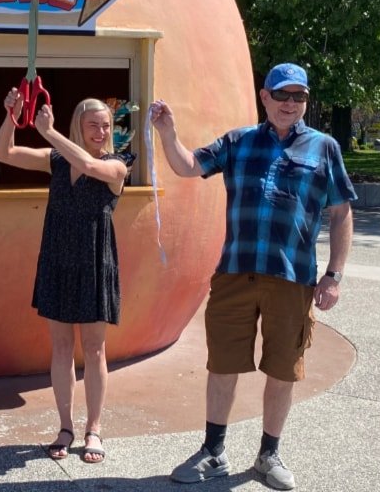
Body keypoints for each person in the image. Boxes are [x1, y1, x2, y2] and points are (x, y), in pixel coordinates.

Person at [150, 62, 355, 491]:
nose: (290, 103)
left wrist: (334, 274)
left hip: (292, 277)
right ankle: (213, 451)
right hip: (236, 273)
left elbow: (341, 213)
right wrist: (168, 133)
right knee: (223, 364)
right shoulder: (239, 141)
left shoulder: (324, 148)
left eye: (299, 96)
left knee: (283, 369)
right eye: (282, 95)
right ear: (265, 97)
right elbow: (189, 166)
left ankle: (268, 455)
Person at [0, 91, 127, 465]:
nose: (101, 131)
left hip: (95, 262)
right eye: (93, 125)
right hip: (57, 259)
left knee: (95, 349)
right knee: (62, 347)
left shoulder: (118, 164)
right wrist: (11, 115)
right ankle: (65, 427)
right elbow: (4, 152)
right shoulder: (55, 160)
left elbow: (88, 164)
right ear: (78, 126)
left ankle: (94, 428)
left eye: (106, 125)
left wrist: (49, 133)